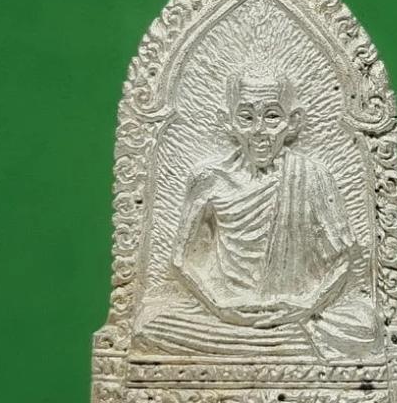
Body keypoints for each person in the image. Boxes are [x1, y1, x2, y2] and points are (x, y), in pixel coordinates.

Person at [141, 66, 382, 359]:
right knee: (149, 324)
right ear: (227, 121)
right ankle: (276, 345)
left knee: (366, 327)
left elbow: (345, 258)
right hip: (223, 309)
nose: (259, 131)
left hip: (296, 310)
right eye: (246, 117)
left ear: (293, 122)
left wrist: (307, 304)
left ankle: (260, 342)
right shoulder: (209, 179)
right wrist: (219, 306)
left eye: (272, 116)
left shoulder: (312, 176)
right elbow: (181, 261)